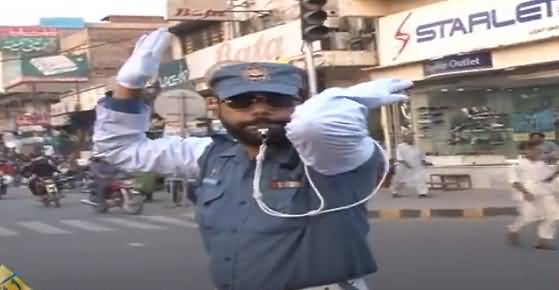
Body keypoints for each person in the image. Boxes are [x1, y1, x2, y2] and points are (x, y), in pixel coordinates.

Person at [92, 28, 412, 290]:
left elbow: (317, 125)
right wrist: (129, 86)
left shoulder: (330, 155)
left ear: (299, 104)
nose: (259, 109)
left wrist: (341, 98)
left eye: (277, 100)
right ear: (216, 107)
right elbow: (119, 148)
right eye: (242, 101)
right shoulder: (210, 155)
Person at [507, 140, 557, 250]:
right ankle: (513, 229)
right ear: (527, 151)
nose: (539, 153)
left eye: (540, 151)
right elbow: (514, 181)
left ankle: (543, 241)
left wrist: (556, 172)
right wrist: (525, 192)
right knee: (529, 216)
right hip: (527, 193)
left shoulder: (542, 164)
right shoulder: (518, 165)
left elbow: (548, 178)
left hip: (543, 192)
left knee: (551, 215)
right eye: (536, 150)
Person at [391, 134, 430, 198]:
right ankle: (395, 192)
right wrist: (407, 164)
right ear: (405, 139)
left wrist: (424, 162)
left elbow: (422, 156)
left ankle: (422, 193)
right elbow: (399, 158)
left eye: (412, 138)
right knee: (401, 181)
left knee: (420, 179)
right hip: (403, 167)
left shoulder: (417, 147)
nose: (411, 139)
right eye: (409, 138)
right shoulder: (400, 146)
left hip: (417, 166)